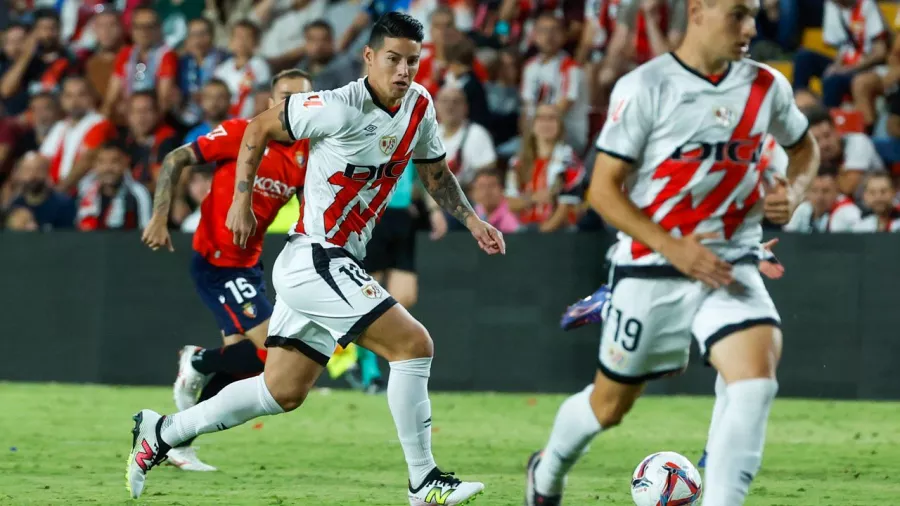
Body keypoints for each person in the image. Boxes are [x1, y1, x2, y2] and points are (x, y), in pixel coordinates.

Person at [127, 12, 504, 506]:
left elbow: (434, 174)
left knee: (280, 390)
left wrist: (473, 220)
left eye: (412, 61)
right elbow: (259, 126)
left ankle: (163, 432)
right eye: (393, 59)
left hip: (334, 262)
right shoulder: (334, 106)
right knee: (413, 345)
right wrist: (241, 199)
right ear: (369, 57)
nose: (403, 71)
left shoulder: (420, 106)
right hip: (316, 258)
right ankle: (424, 481)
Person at [524, 2, 820, 506]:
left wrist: (793, 192)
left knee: (753, 383)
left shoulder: (767, 86)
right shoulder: (647, 87)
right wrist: (672, 248)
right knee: (609, 406)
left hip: (731, 262)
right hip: (651, 266)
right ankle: (546, 472)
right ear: (699, 9)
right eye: (740, 14)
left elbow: (805, 147)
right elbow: (603, 190)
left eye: (754, 15)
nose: (752, 28)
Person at [140, 69, 312, 471]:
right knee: (273, 355)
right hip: (218, 263)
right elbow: (176, 158)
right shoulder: (243, 132)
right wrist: (159, 217)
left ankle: (178, 440)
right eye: (284, 97)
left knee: (246, 364)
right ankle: (197, 361)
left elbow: (311, 210)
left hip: (249, 264)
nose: (291, 106)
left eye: (300, 99)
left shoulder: (305, 154)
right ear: (270, 101)